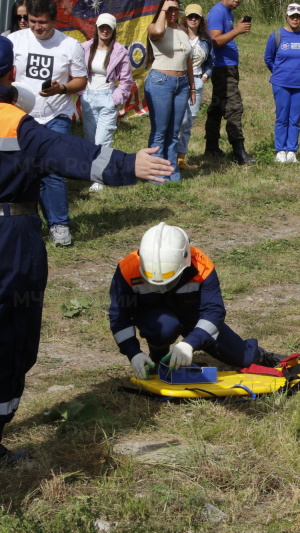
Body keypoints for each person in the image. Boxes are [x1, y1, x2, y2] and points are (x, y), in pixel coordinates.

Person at [0, 34, 173, 466]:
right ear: (11, 72)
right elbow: (68, 152)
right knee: (11, 339)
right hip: (11, 239)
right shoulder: (13, 122)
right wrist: (127, 165)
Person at [108, 223, 282, 380]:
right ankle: (158, 355)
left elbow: (214, 311)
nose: (164, 287)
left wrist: (190, 343)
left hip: (193, 313)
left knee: (244, 358)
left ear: (185, 261)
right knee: (163, 328)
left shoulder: (202, 266)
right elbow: (120, 316)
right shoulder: (127, 270)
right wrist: (133, 353)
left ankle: (261, 356)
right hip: (154, 316)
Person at [8, 0, 87, 246]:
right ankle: (25, 225)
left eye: (42, 22)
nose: (37, 27)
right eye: (33, 21)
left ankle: (59, 225)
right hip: (20, 116)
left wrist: (60, 88)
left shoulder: (70, 45)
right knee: (21, 169)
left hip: (55, 115)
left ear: (54, 21)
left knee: (52, 170)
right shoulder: (15, 40)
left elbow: (81, 81)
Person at [79, 13, 133, 192]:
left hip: (107, 98)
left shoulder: (119, 51)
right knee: (91, 139)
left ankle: (99, 178)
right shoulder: (85, 48)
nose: (104, 30)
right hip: (88, 97)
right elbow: (77, 71)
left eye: (108, 27)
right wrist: (81, 94)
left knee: (103, 139)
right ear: (96, 28)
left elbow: (126, 79)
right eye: (102, 27)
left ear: (113, 29)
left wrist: (115, 99)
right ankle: (91, 172)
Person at [145, 0, 195, 183]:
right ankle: (155, 174)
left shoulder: (182, 30)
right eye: (170, 9)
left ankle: (172, 173)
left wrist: (192, 86)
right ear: (162, 10)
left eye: (176, 9)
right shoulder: (155, 27)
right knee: (160, 131)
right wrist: (164, 9)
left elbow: (187, 59)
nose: (173, 13)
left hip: (181, 83)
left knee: (174, 131)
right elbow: (158, 32)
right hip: (160, 82)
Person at [205, 0, 255, 165]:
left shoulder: (228, 12)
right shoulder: (218, 12)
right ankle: (238, 151)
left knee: (218, 106)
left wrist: (236, 28)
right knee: (234, 107)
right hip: (222, 68)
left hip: (226, 67)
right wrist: (236, 31)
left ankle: (211, 146)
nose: (237, 1)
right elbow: (214, 41)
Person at [265, 3, 300, 163]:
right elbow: (268, 58)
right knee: (282, 117)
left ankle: (292, 150)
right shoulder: (277, 35)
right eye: (292, 16)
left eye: (298, 16)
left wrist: (299, 71)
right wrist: (280, 72)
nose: (295, 19)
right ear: (286, 17)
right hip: (281, 83)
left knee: (295, 118)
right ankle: (280, 150)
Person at [175, 4, 215, 171]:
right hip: (179, 81)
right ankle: (169, 156)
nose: (193, 19)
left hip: (197, 82)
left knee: (189, 122)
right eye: (190, 16)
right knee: (179, 120)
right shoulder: (177, 36)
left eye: (196, 17)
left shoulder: (206, 40)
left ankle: (181, 159)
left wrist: (205, 77)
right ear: (185, 18)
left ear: (201, 20)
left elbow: (211, 62)